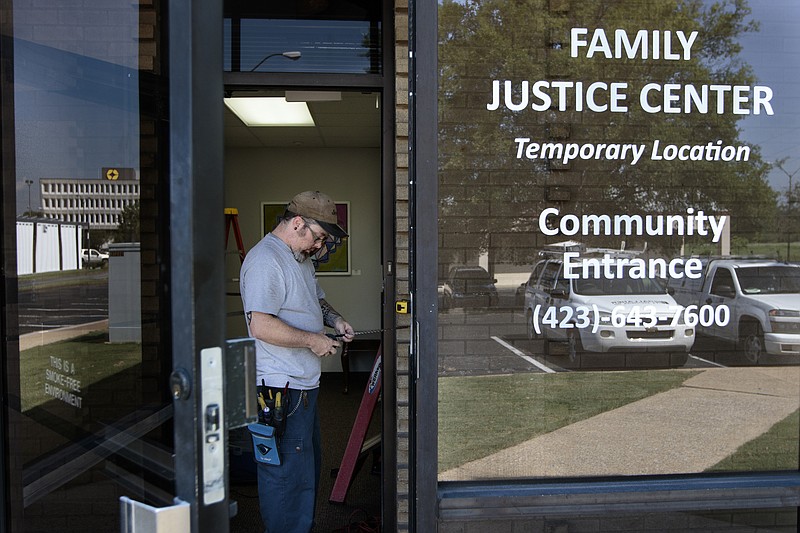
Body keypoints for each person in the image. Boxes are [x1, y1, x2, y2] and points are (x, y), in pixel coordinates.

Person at [240, 190, 354, 533]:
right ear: (298, 223)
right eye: (318, 237)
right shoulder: (266, 261)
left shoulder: (298, 260)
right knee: (286, 478)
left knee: (305, 471)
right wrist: (311, 340)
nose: (319, 247)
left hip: (302, 388)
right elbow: (260, 324)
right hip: (280, 390)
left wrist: (335, 322)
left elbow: (315, 302)